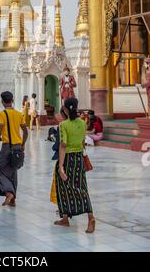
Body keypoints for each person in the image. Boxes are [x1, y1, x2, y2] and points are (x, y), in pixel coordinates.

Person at [54, 97, 95, 233]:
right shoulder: (83, 123)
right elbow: (83, 142)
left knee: (63, 187)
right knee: (82, 187)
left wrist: (61, 166)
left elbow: (63, 145)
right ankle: (87, 217)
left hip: (67, 159)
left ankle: (68, 218)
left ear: (65, 109)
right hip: (79, 159)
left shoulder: (63, 125)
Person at [0, 91, 28, 207]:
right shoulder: (19, 114)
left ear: (3, 102)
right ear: (12, 100)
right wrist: (23, 144)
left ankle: (8, 192)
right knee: (13, 170)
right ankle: (13, 199)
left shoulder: (2, 114)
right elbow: (25, 131)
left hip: (7, 146)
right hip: (18, 146)